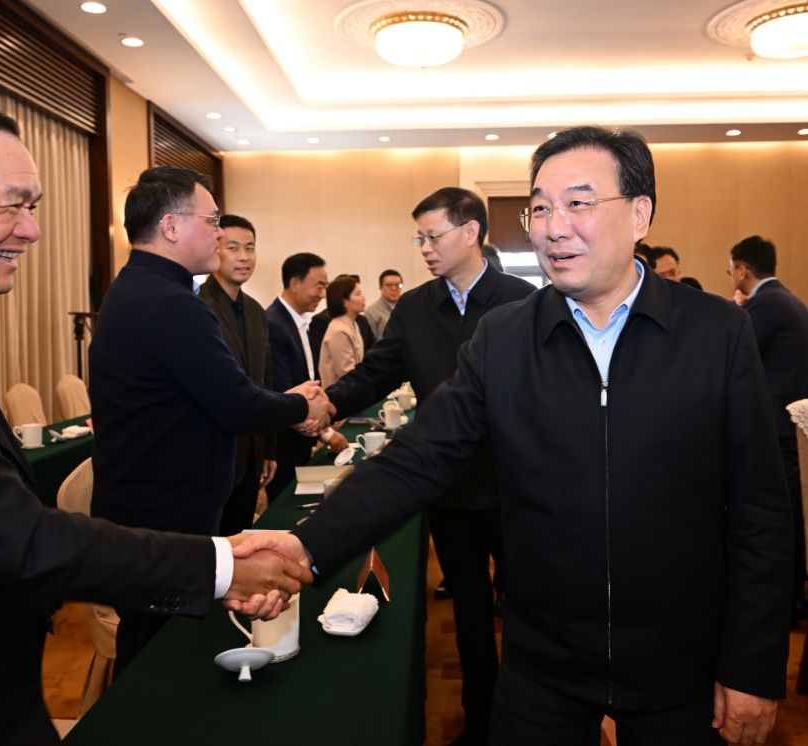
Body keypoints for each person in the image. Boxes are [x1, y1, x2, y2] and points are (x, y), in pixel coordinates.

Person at [236, 126, 793, 746]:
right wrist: (304, 547)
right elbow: (416, 459)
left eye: (578, 204)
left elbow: (760, 510)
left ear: (640, 213)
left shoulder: (716, 332)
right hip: (543, 664)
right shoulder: (504, 338)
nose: (553, 228)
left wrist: (753, 665)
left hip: (681, 661)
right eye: (540, 209)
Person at [0, 94, 309, 746]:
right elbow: (17, 536)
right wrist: (222, 566)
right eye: (11, 204)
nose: (31, 230)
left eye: (33, 207)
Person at [88, 166, 330, 676]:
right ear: (171, 226)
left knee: (159, 647)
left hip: (149, 507)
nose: (220, 235)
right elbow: (236, 404)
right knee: (156, 660)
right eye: (214, 221)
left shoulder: (138, 288)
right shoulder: (172, 303)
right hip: (163, 517)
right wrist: (300, 406)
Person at [321, 187, 536, 745]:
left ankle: (529, 721)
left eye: (433, 236)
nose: (424, 248)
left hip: (518, 489)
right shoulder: (415, 306)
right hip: (449, 490)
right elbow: (377, 373)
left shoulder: (524, 300)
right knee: (469, 613)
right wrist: (324, 404)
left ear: (471, 232)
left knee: (530, 612)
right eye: (419, 237)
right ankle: (481, 721)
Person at [729, 234, 808, 625]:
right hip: (789, 426)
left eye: (731, 270)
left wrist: (734, 312)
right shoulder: (790, 300)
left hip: (775, 426)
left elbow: (737, 357)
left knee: (777, 519)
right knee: (790, 515)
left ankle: (784, 604)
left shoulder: (765, 305)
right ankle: (793, 599)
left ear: (742, 271)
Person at [199, 214, 278, 535]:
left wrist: (268, 449)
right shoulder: (198, 306)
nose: (244, 256)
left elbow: (266, 382)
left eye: (250, 248)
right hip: (211, 457)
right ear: (214, 248)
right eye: (233, 248)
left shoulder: (257, 311)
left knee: (241, 538)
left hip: (251, 456)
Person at [266, 253, 335, 502]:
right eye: (319, 286)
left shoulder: (302, 322)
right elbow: (281, 388)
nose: (323, 294)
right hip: (284, 443)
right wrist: (324, 431)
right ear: (295, 283)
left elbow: (311, 381)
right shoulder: (273, 323)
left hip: (301, 438)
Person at [319, 275, 367, 388]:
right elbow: (347, 374)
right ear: (345, 302)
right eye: (358, 294)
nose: (363, 298)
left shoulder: (353, 324)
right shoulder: (339, 330)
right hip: (339, 395)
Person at [366, 269, 403, 341]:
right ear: (381, 287)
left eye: (398, 285)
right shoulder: (371, 312)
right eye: (389, 285)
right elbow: (371, 342)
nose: (394, 288)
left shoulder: (407, 309)